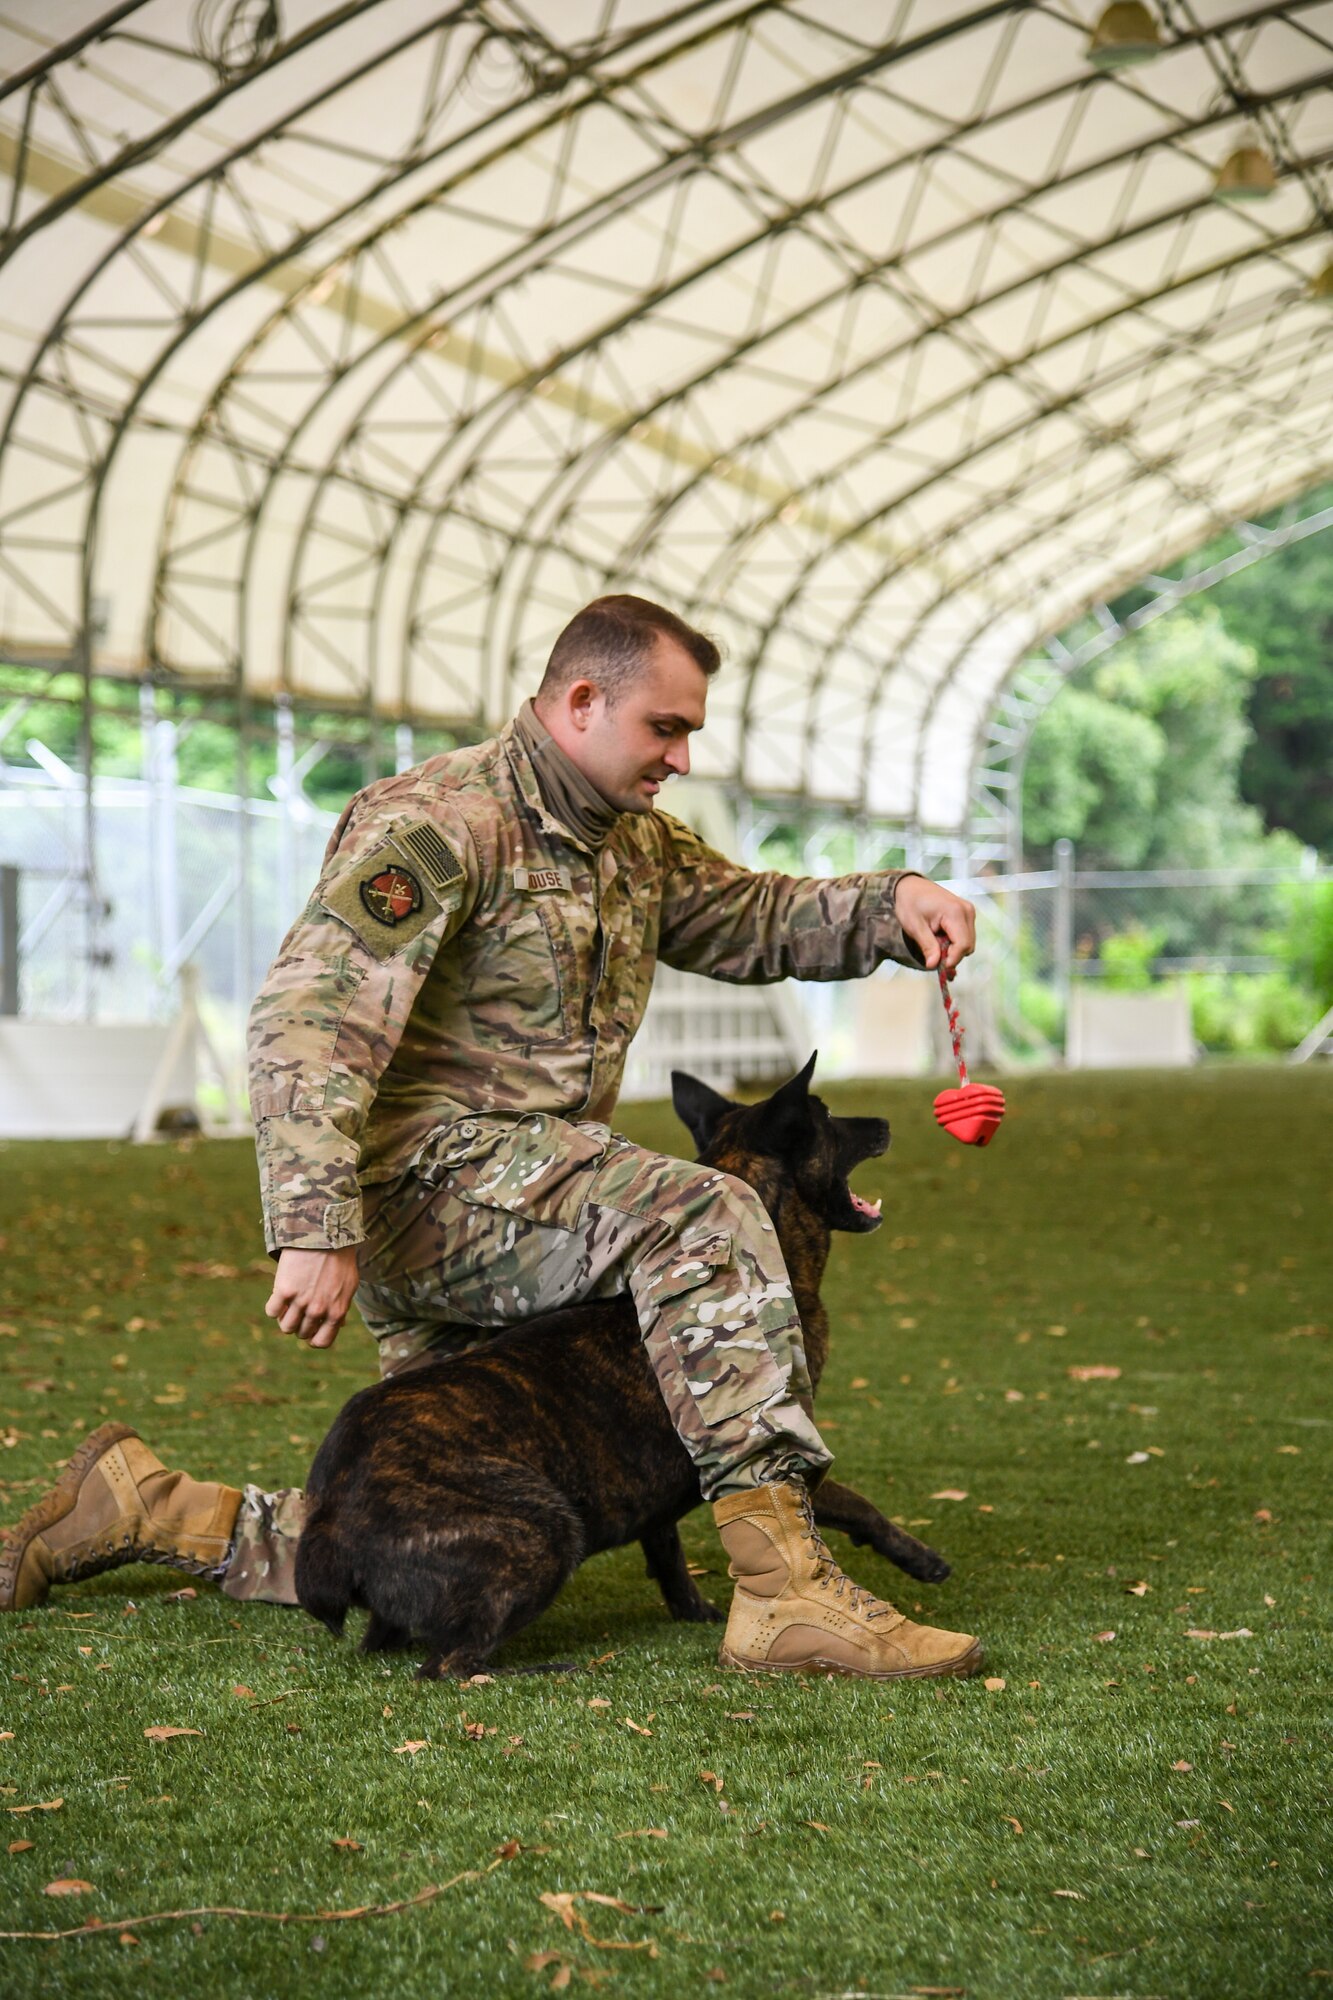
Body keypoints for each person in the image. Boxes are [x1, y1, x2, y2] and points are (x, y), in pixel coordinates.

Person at [1, 595, 984, 1679]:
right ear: (580, 699)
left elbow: (747, 914)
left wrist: (890, 904)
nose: (683, 755)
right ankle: (786, 1591)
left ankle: (148, 1506)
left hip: (522, 1197)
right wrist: (316, 1222)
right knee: (708, 1211)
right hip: (433, 1186)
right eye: (665, 726)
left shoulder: (630, 841)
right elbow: (309, 1016)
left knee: (450, 1501)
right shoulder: (438, 822)